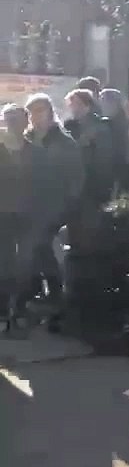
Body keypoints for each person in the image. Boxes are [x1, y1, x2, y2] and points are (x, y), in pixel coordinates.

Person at [17, 94, 83, 333]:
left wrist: (66, 207)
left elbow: (75, 178)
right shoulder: (26, 139)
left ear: (49, 112)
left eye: (40, 111)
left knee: (42, 250)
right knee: (33, 253)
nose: (36, 117)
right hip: (27, 207)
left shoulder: (63, 142)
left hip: (53, 207)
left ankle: (55, 298)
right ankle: (39, 299)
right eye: (32, 112)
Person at [0, 105, 28, 329]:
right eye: (8, 120)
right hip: (5, 213)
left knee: (23, 262)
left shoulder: (34, 149)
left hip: (26, 213)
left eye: (16, 120)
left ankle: (18, 308)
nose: (11, 125)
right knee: (6, 261)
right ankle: (5, 310)